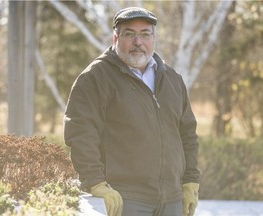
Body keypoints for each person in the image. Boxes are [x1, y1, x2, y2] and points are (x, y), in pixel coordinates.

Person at [63, 7, 200, 216]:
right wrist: (95, 183)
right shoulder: (94, 78)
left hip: (172, 199)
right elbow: (81, 133)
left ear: (154, 38)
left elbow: (187, 133)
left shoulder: (172, 79)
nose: (138, 42)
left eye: (145, 34)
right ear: (116, 37)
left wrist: (190, 180)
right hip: (125, 199)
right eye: (129, 34)